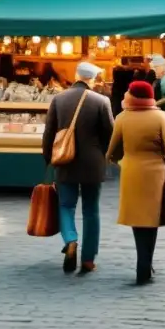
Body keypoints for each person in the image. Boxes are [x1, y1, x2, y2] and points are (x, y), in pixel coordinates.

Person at [42, 62, 114, 275]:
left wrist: (49, 158)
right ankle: (88, 260)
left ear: (76, 75)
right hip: (93, 163)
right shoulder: (101, 101)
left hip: (65, 160)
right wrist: (105, 157)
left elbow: (49, 133)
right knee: (91, 210)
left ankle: (71, 240)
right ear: (93, 79)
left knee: (66, 205)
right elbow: (110, 133)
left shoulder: (59, 99)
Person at [109, 81, 165, 285]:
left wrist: (123, 161)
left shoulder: (122, 118)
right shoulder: (161, 117)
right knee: (151, 219)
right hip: (156, 173)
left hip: (132, 173)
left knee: (138, 219)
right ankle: (146, 262)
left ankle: (143, 262)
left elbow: (112, 151)